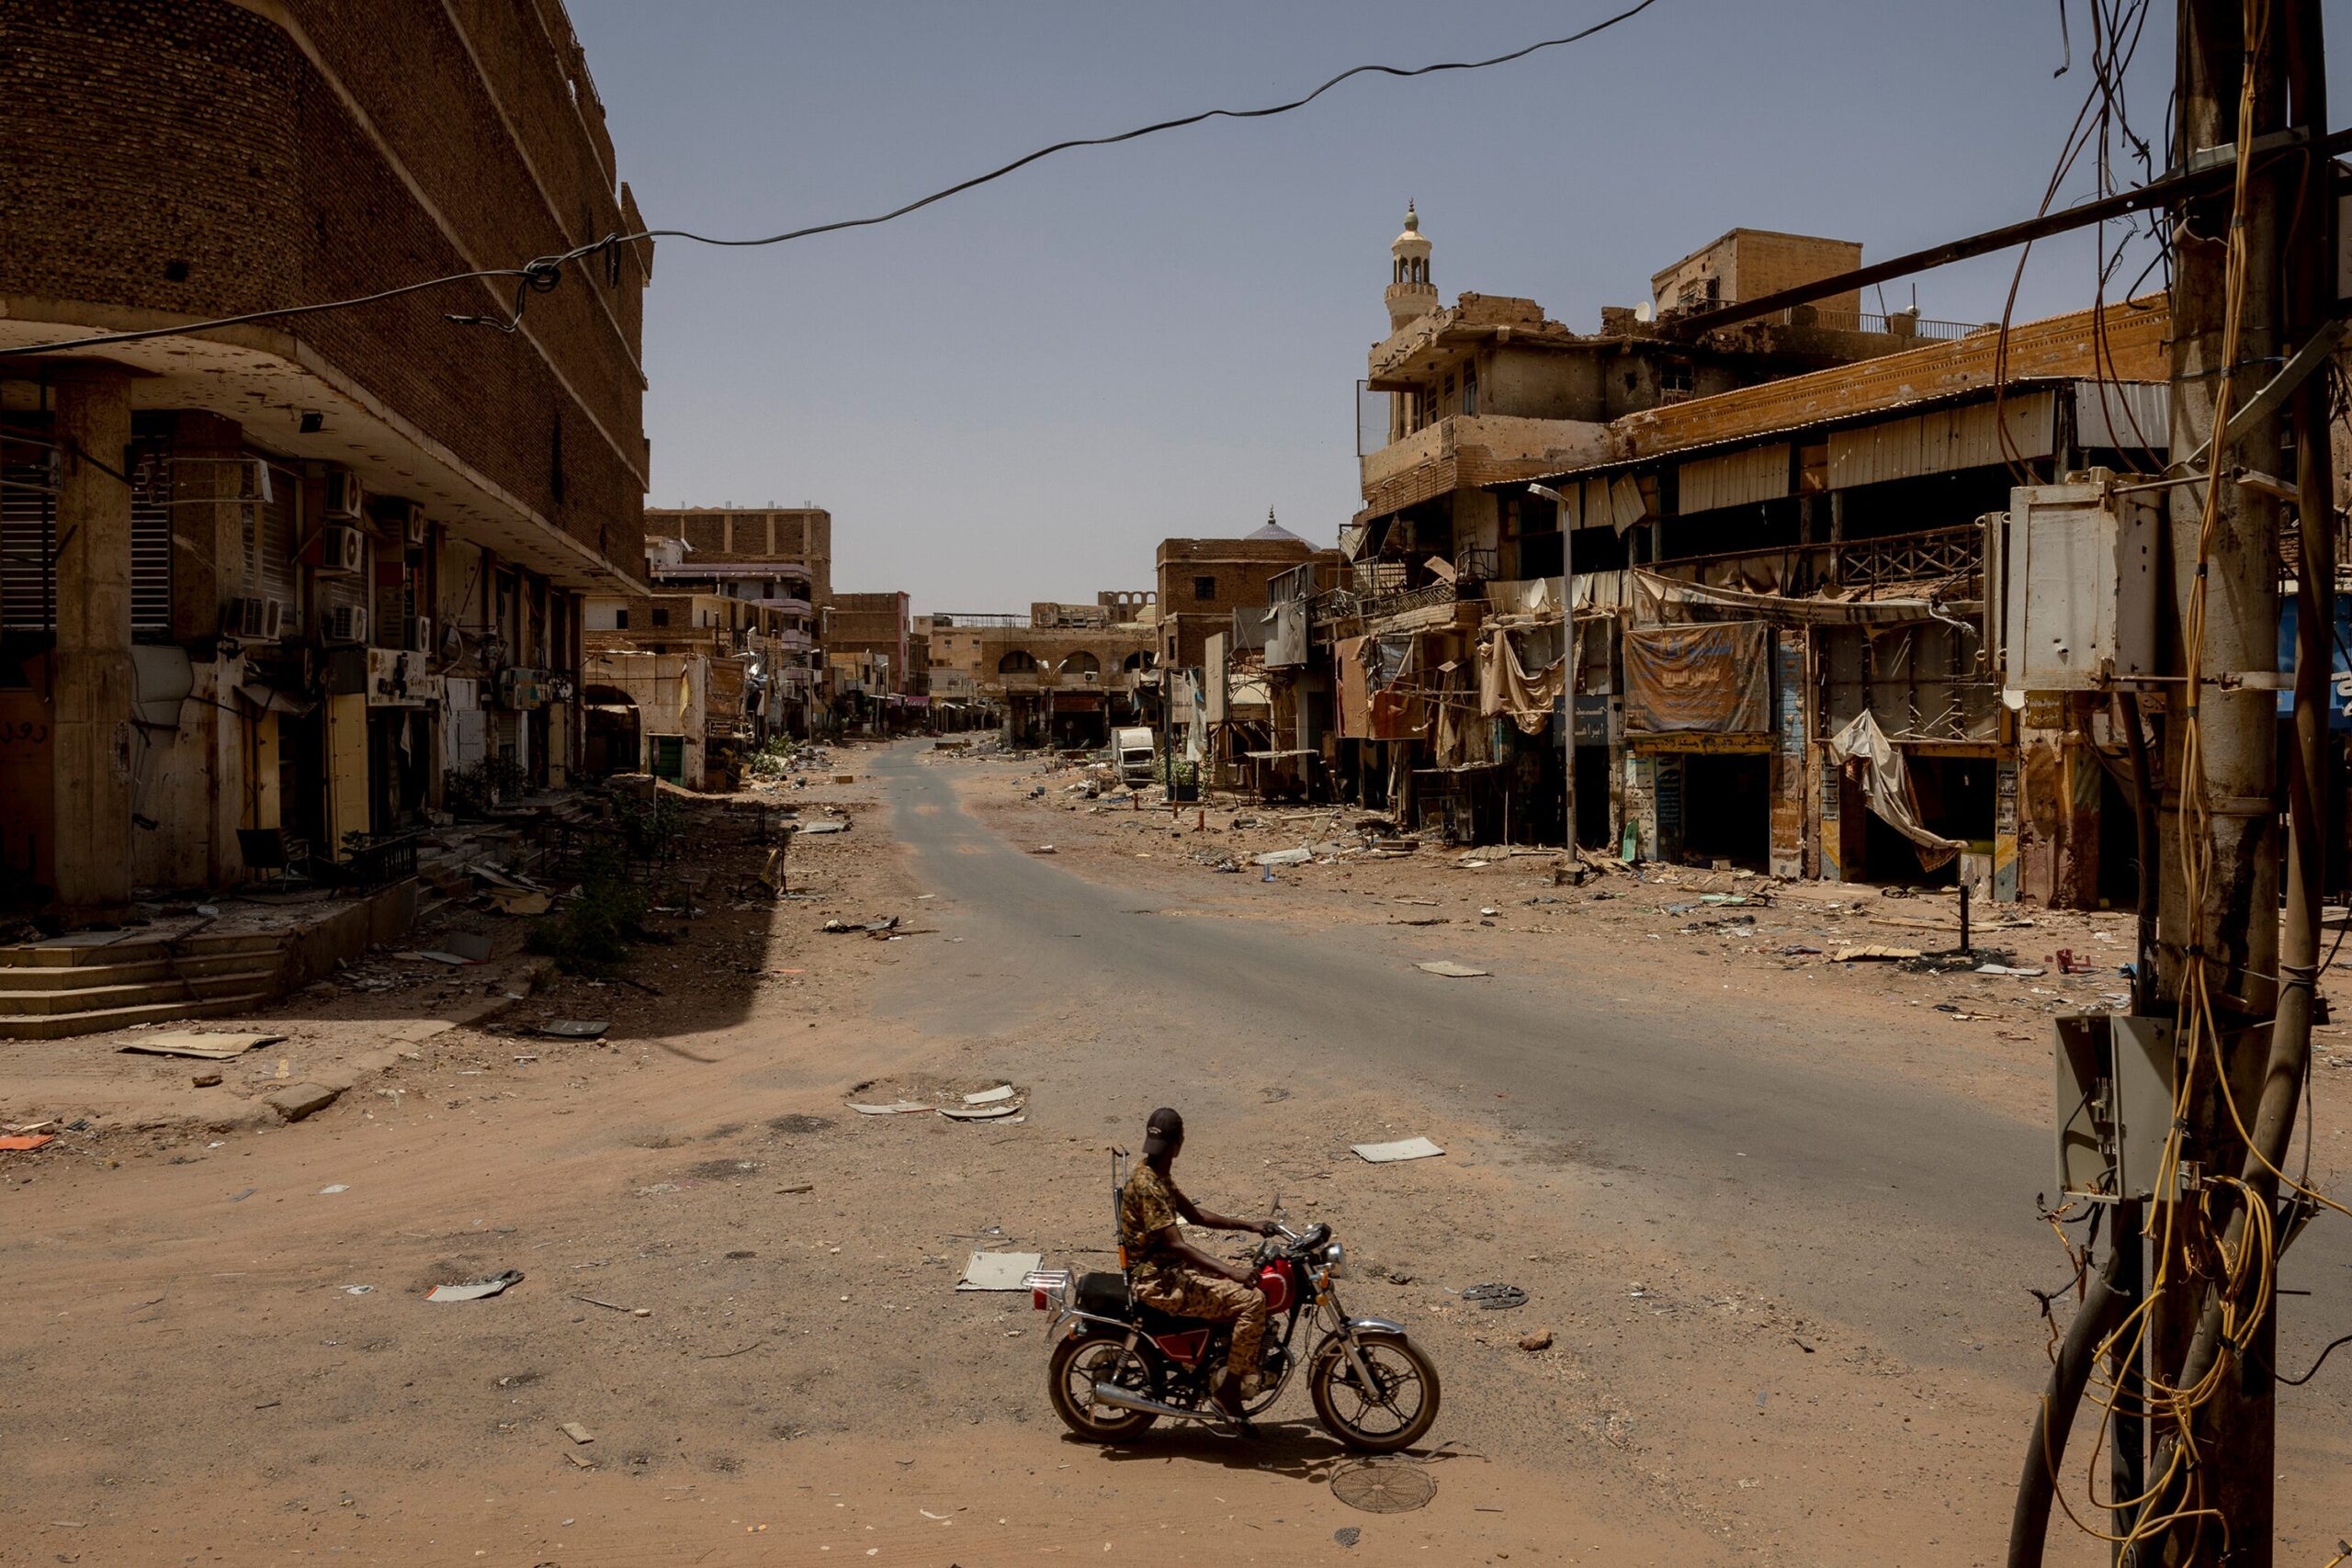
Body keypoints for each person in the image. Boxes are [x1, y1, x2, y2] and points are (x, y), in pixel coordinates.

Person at [1118, 1107, 1279, 1419]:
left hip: (1166, 1270)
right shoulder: (1150, 1184)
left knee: (1239, 1285)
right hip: (1157, 1280)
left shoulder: (1154, 1171)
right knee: (1252, 1302)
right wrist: (1231, 1269)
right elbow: (1175, 1243)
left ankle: (1219, 1358)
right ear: (1180, 1143)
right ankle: (1228, 1392)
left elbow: (1196, 1216)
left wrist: (1249, 1225)